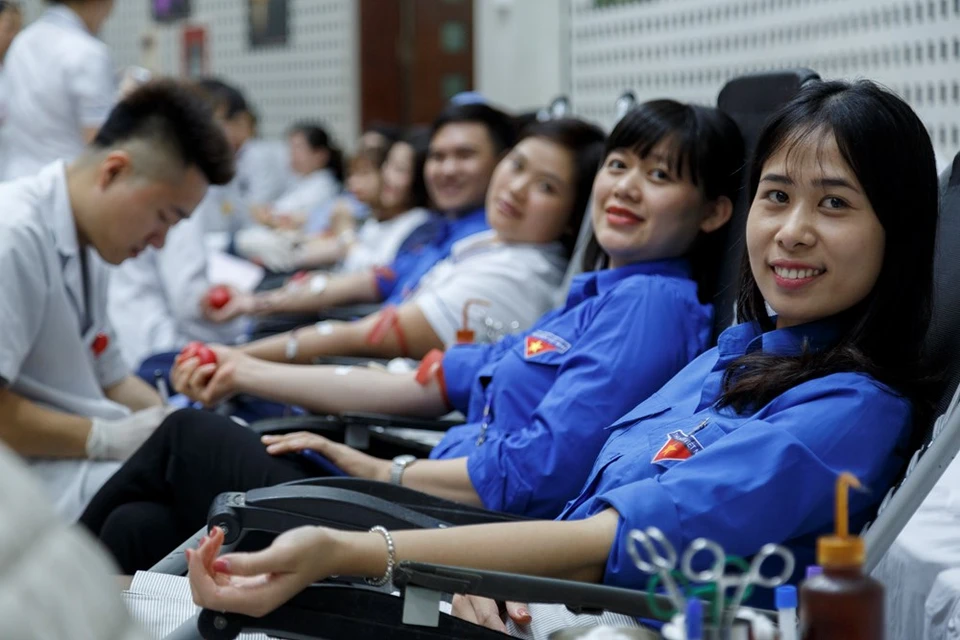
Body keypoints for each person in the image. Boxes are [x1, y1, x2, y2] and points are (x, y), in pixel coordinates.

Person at [180, 81, 937, 635]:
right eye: (777, 197)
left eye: (834, 204)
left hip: (583, 616)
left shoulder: (845, 414)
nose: (792, 231)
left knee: (191, 461)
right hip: (521, 588)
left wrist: (375, 539)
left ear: (897, 232)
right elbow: (447, 385)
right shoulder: (731, 354)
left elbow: (595, 535)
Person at [81, 101, 744, 573]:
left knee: (185, 437)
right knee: (140, 528)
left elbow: (541, 472)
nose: (626, 187)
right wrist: (245, 369)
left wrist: (382, 468)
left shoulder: (649, 307)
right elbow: (428, 381)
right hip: (423, 491)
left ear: (715, 211)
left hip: (452, 533)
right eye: (621, 165)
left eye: (659, 176)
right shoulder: (596, 298)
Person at [0, 80, 234, 521]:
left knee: (221, 474)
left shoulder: (89, 245)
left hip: (73, 474)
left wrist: (175, 427)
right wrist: (103, 437)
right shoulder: (12, 235)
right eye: (165, 217)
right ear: (113, 171)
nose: (162, 241)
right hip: (29, 494)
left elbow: (113, 381)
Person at [203, 102, 514, 328]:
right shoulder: (440, 231)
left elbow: (387, 326)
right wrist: (257, 303)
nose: (447, 169)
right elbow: (373, 281)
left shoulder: (484, 243)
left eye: (465, 156)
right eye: (439, 157)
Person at [106, 79, 257, 368]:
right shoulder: (179, 181)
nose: (159, 239)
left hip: (132, 354)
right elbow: (189, 301)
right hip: (155, 355)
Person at [0, 0, 117, 181]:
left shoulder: (21, 43)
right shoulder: (88, 53)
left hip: (15, 184)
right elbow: (99, 145)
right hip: (64, 187)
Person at [294, 131, 432, 273]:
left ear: (420, 178)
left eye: (399, 169)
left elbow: (379, 276)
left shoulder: (420, 223)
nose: (385, 175)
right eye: (387, 164)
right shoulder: (379, 216)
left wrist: (345, 232)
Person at [250, 122, 344, 231]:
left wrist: (268, 215)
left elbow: (280, 215)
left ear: (320, 155)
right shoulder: (299, 179)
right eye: (291, 148)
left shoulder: (323, 187)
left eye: (298, 148)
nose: (292, 154)